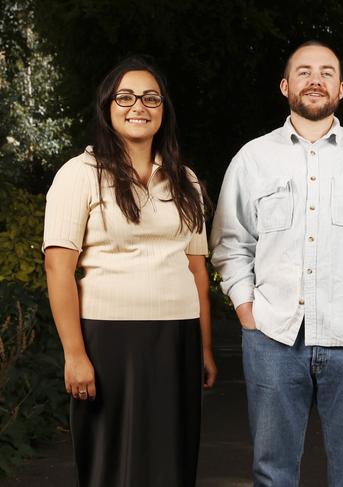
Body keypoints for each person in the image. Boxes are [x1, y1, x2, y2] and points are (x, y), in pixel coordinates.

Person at [210, 40, 343, 487]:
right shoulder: (252, 159)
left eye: (326, 72)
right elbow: (230, 243)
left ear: (340, 89)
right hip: (272, 338)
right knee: (272, 472)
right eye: (303, 71)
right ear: (285, 86)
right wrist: (247, 312)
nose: (315, 79)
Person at [43, 56, 217, 487]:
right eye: (125, 96)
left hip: (177, 335)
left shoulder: (185, 181)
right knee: (109, 462)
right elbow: (58, 267)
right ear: (107, 107)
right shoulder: (78, 174)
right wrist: (74, 354)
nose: (138, 105)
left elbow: (197, 270)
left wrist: (205, 348)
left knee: (172, 461)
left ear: (163, 111)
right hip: (107, 337)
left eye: (150, 97)